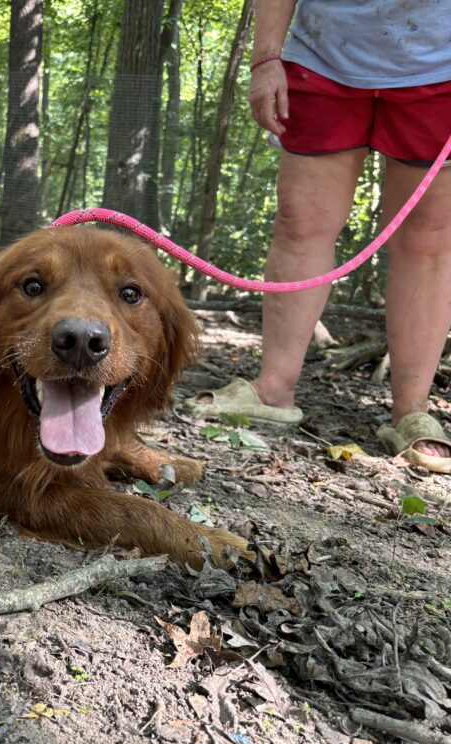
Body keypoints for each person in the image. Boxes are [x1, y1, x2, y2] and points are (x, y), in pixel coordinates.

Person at [183, 0, 451, 472]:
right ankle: (272, 390)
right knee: (300, 222)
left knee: (427, 239)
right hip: (323, 56)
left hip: (438, 68)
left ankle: (412, 410)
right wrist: (266, 60)